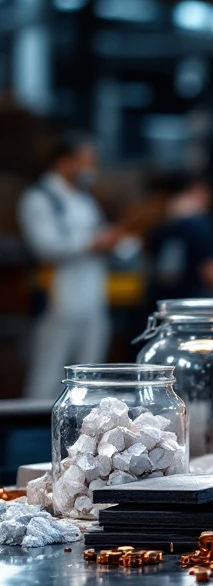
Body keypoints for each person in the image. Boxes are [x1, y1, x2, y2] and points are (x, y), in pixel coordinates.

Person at [19, 131, 119, 400]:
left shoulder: (84, 199)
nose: (90, 168)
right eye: (86, 161)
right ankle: (34, 439)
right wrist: (92, 242)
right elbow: (45, 246)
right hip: (58, 299)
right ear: (64, 162)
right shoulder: (39, 198)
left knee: (90, 374)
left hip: (92, 296)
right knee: (49, 374)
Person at [144, 171, 213, 310]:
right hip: (192, 307)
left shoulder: (159, 220)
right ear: (198, 190)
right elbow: (212, 273)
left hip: (161, 306)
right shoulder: (200, 222)